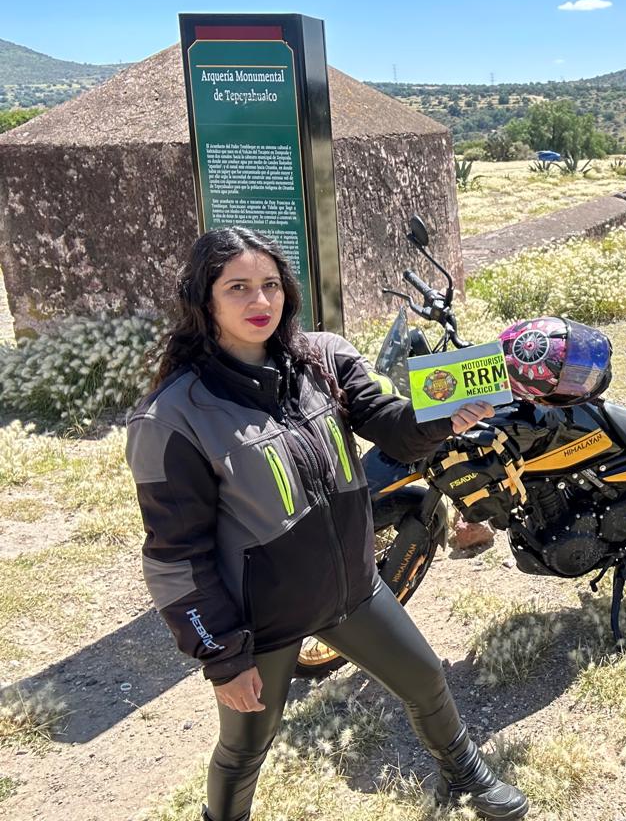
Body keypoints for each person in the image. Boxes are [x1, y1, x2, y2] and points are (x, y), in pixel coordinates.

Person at [125, 227, 528, 821]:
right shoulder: (171, 417)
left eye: (270, 285)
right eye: (237, 288)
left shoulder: (323, 357)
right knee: (244, 748)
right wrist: (224, 658)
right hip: (262, 621)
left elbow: (389, 424)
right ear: (203, 300)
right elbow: (174, 557)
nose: (259, 302)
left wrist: (440, 418)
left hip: (354, 590)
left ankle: (465, 773)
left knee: (425, 681)